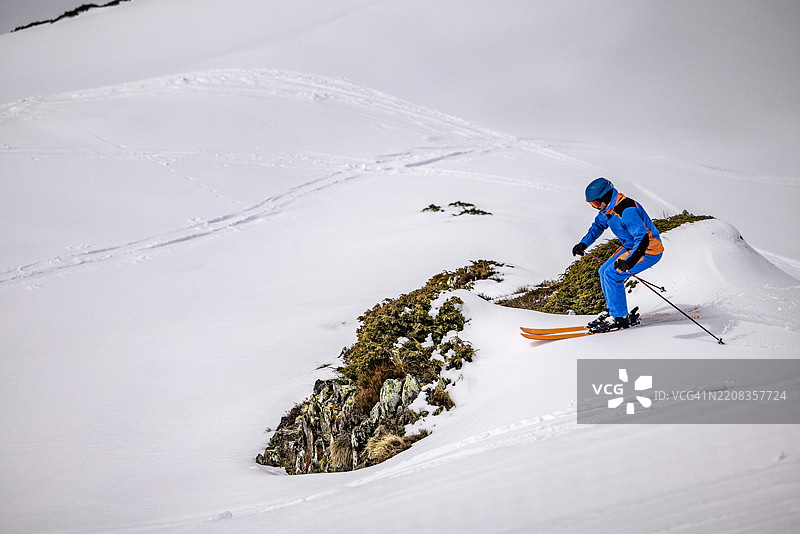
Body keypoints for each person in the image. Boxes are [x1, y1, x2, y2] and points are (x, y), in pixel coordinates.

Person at [572, 177, 664, 332]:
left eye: (595, 203)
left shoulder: (626, 210)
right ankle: (613, 311)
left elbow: (642, 239)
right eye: (592, 204)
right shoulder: (607, 210)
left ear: (606, 196)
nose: (595, 207)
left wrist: (629, 262)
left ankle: (619, 318)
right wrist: (583, 244)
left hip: (648, 250)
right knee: (603, 271)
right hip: (630, 247)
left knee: (613, 275)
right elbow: (598, 226)